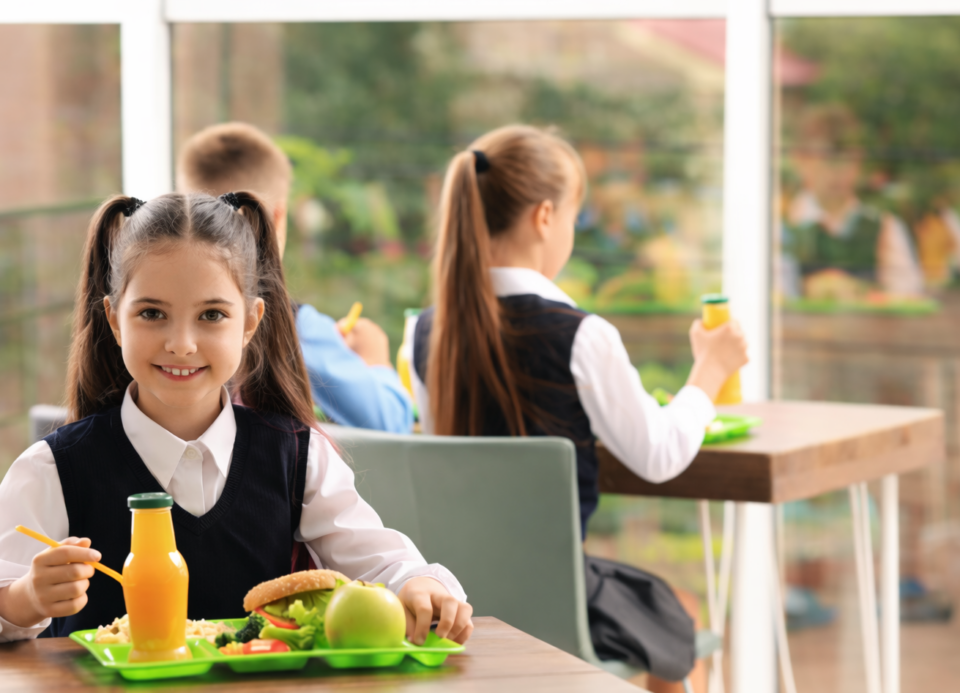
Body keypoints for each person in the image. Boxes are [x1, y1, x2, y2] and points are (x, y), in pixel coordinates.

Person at [0, 192, 472, 645]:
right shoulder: (53, 468)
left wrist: (418, 583)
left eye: (211, 315)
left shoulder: (296, 454)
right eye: (151, 313)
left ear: (249, 322)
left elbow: (380, 562)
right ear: (114, 320)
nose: (181, 343)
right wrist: (26, 599)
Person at [409, 125, 748, 693]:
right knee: (672, 619)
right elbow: (659, 454)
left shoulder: (425, 332)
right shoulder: (582, 336)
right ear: (545, 217)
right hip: (559, 599)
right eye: (573, 217)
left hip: (457, 599)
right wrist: (709, 374)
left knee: (659, 615)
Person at [177, 122, 413, 433]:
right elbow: (392, 423)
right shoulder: (296, 329)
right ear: (277, 216)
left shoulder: (146, 327)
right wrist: (375, 359)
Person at [787, 104, 923, 300]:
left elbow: (909, 298)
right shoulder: (781, 229)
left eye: (845, 159)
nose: (836, 170)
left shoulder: (885, 228)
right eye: (826, 158)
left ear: (858, 162)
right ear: (801, 160)